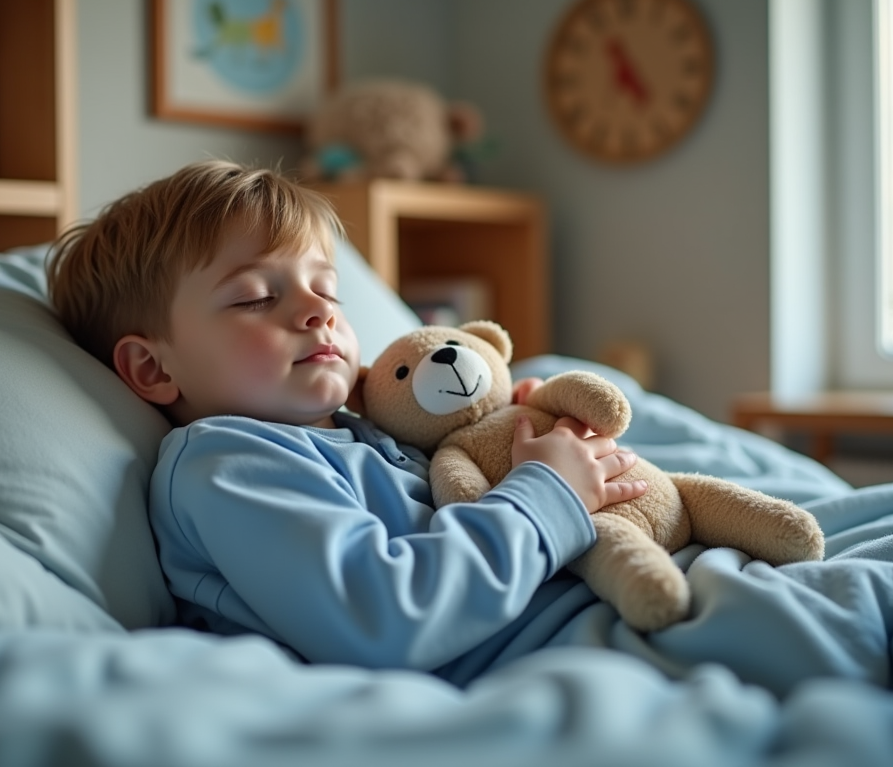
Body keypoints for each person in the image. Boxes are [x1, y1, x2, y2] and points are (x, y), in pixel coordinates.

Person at [48, 160, 650, 685]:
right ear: (152, 367)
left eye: (328, 291)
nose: (318, 312)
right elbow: (384, 618)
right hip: (582, 643)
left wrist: (511, 419)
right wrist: (544, 495)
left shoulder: (371, 425)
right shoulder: (226, 460)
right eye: (256, 296)